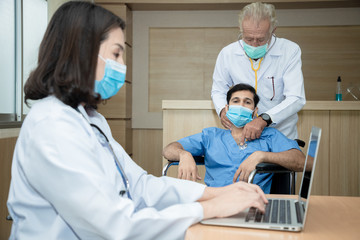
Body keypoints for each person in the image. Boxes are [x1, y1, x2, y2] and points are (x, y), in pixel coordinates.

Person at [6, 2, 268, 239]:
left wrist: (219, 194)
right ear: (84, 53)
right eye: (116, 54)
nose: (122, 66)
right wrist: (211, 208)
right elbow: (115, 225)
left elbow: (140, 185)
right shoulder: (52, 126)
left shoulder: (90, 119)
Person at [163, 84, 305, 193]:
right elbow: (169, 150)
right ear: (227, 108)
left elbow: (304, 163)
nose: (241, 105)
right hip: (215, 202)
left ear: (255, 111)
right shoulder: (211, 136)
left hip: (254, 205)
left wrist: (262, 156)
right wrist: (184, 154)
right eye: (236, 101)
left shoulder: (269, 135)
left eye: (247, 102)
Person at [211, 2, 306, 145]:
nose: (254, 44)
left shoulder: (289, 51)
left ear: (273, 30)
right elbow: (218, 90)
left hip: (281, 133)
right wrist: (221, 111)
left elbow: (296, 98)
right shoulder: (228, 54)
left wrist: (265, 119)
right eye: (248, 39)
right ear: (241, 29)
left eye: (261, 39)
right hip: (242, 134)